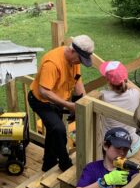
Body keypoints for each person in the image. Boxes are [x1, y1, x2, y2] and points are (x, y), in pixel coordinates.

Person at [28, 35, 94, 171]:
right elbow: (44, 91)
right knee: (58, 130)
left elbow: (77, 81)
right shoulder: (52, 63)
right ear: (73, 51)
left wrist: (82, 103)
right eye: (80, 59)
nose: (80, 63)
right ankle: (65, 162)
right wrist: (69, 105)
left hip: (57, 101)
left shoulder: (74, 61)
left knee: (53, 132)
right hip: (41, 101)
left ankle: (48, 164)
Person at [99, 61, 140, 157]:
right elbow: (131, 88)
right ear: (126, 79)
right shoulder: (135, 94)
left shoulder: (104, 96)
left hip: (111, 150)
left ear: (109, 83)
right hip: (132, 147)